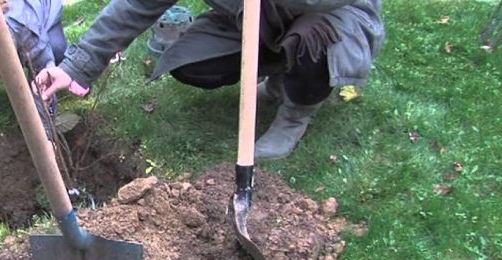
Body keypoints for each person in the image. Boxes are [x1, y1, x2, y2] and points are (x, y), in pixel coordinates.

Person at [34, 0, 385, 160]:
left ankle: (296, 114)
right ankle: (282, 73)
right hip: (255, 18)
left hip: (330, 18)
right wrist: (75, 67)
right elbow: (134, 5)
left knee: (311, 41)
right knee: (192, 64)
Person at [0, 0, 89, 127]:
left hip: (44, 9)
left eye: (2, 70)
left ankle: (69, 71)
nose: (2, 77)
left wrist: (46, 129)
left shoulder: (26, 27)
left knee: (57, 49)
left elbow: (43, 71)